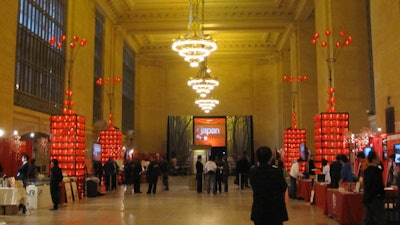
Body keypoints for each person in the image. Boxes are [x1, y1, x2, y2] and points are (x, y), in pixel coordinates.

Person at [250, 146, 288, 225]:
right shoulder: (277, 171)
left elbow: (253, 185)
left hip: (259, 209)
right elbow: (283, 187)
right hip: (275, 209)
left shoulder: (254, 171)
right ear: (270, 158)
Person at [362, 150, 386, 225]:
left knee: (368, 218)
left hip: (367, 197)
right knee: (379, 219)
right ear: (374, 159)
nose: (379, 159)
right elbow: (378, 185)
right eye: (377, 158)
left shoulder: (365, 171)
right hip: (376, 198)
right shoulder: (377, 171)